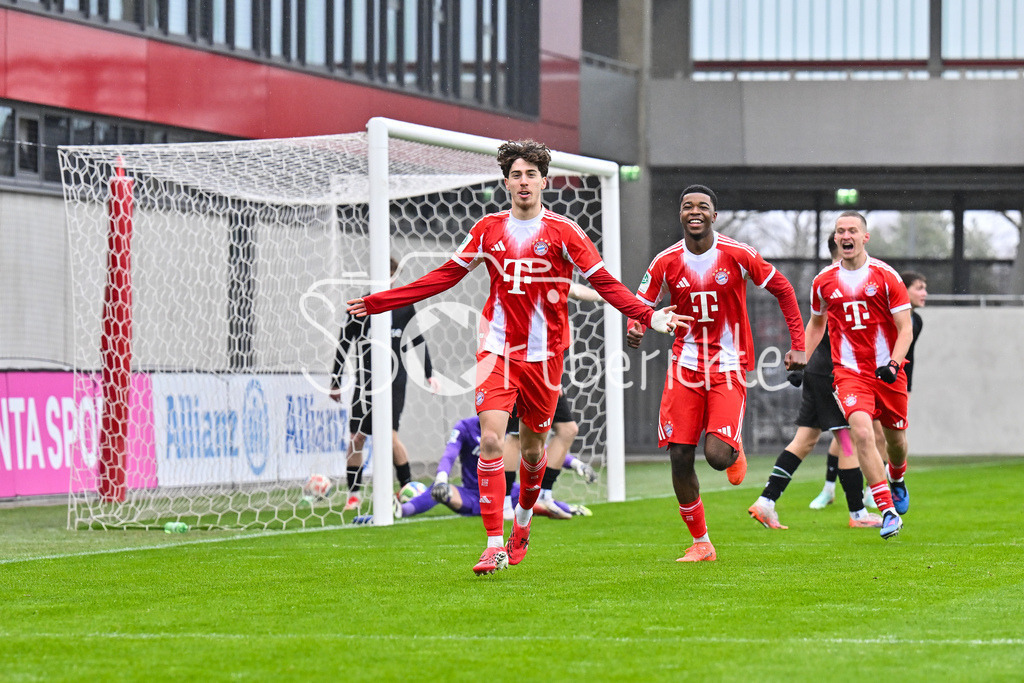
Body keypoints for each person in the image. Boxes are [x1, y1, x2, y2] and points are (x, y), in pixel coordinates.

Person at [347, 139, 687, 575]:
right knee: (491, 440)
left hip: (545, 359)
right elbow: (443, 277)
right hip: (497, 352)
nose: (523, 182)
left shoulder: (565, 232)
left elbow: (604, 282)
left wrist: (648, 315)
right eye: (516, 175)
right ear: (506, 183)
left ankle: (522, 523)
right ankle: (493, 545)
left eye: (531, 175)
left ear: (544, 181)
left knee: (531, 451)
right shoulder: (488, 229)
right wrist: (379, 302)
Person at [627, 185, 806, 562]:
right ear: (680, 214)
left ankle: (733, 448)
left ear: (714, 215)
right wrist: (637, 326)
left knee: (717, 457)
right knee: (679, 455)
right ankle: (701, 542)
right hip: (685, 365)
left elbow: (784, 289)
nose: (695, 211)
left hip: (728, 364)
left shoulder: (738, 254)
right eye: (687, 206)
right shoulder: (665, 261)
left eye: (702, 206)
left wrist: (799, 344)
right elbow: (642, 304)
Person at [748, 235, 882, 530]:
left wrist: (802, 363)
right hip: (832, 374)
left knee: (805, 440)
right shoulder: (836, 284)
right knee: (847, 441)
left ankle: (766, 501)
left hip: (816, 372)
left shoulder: (827, 284)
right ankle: (858, 513)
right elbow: (821, 328)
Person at [802, 211, 913, 540]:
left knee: (895, 442)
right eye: (840, 231)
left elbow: (905, 328)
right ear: (836, 239)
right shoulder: (823, 281)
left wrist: (893, 364)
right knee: (862, 433)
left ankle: (897, 477)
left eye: (852, 230)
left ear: (865, 237)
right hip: (849, 374)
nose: (845, 236)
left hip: (887, 372)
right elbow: (816, 323)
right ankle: (888, 511)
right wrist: (801, 358)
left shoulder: (886, 276)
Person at [811, 269, 926, 511]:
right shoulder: (834, 290)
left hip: (886, 378)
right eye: (919, 288)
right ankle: (841, 495)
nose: (924, 293)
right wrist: (803, 358)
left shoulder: (910, 321)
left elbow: (909, 357)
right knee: (851, 435)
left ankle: (876, 489)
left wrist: (904, 382)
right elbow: (820, 329)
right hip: (843, 377)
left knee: (877, 438)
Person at [330, 257, 438, 511]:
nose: (386, 279)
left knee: (390, 437)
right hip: (366, 380)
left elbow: (417, 339)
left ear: (395, 276)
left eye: (390, 274)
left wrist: (429, 373)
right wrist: (335, 381)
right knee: (356, 437)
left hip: (394, 380)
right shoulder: (359, 306)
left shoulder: (404, 306)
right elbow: (344, 343)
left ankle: (408, 489)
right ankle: (353, 495)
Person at [354, 415, 589, 524]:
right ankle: (398, 512)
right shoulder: (465, 427)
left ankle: (568, 508)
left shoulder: (510, 432)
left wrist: (576, 463)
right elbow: (449, 455)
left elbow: (539, 449)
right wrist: (442, 478)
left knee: (532, 494)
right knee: (440, 491)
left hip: (505, 491)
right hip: (472, 494)